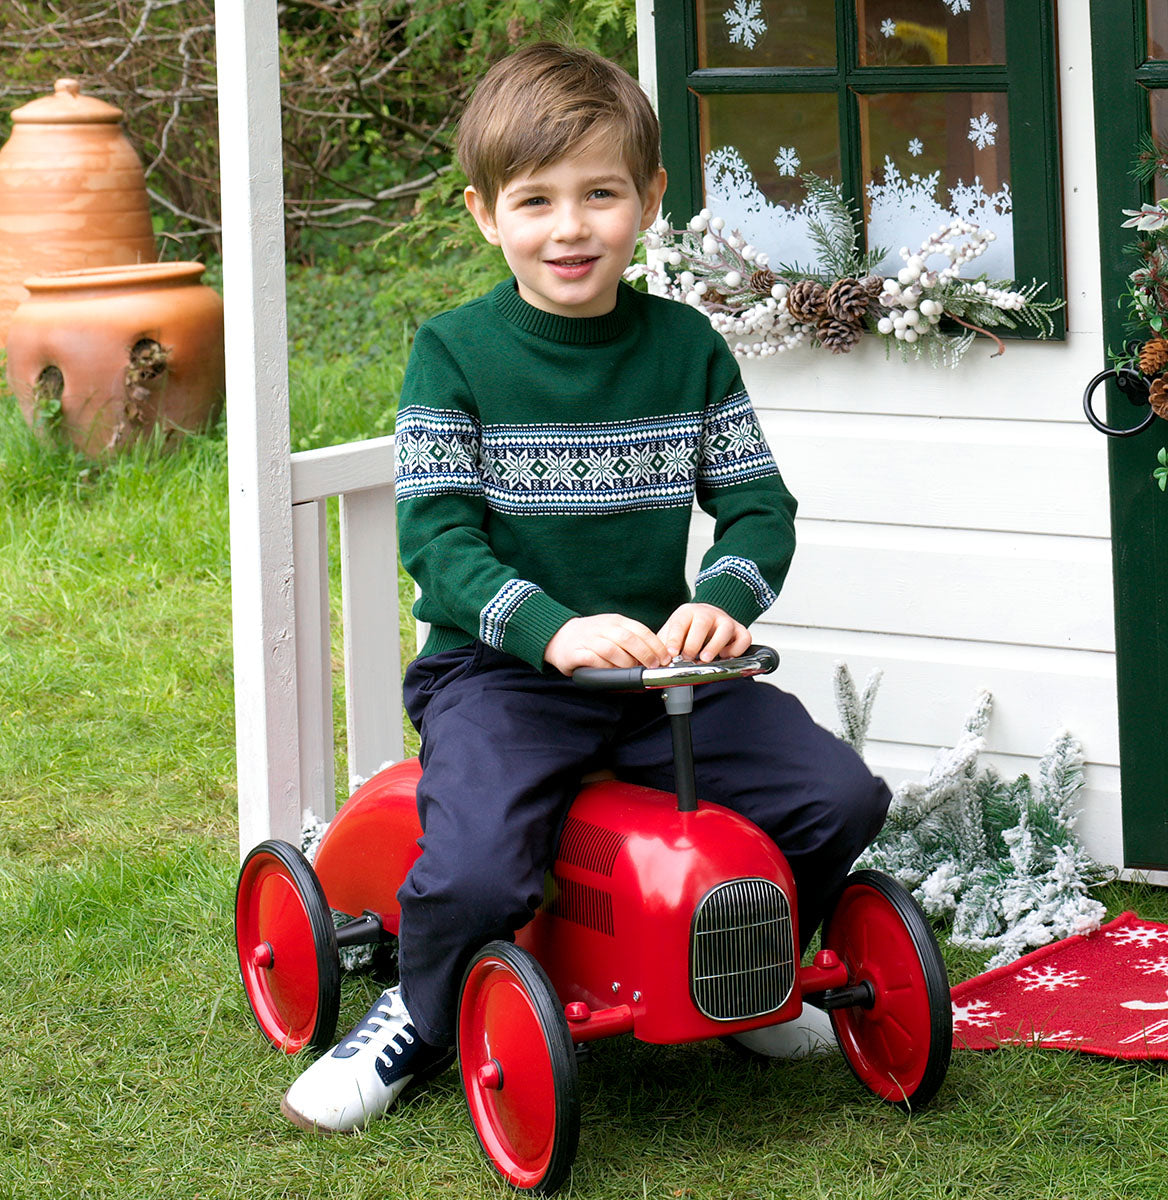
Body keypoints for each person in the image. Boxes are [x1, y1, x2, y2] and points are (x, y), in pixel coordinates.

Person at [282, 40, 890, 1134]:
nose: (571, 227)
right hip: (501, 673)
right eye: (537, 200)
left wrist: (724, 601)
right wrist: (554, 632)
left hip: (661, 672)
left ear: (650, 199)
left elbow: (760, 508)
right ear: (484, 213)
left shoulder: (687, 347)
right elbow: (441, 540)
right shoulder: (455, 354)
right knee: (473, 869)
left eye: (600, 193)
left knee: (840, 795)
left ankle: (744, 969)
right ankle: (417, 1015)